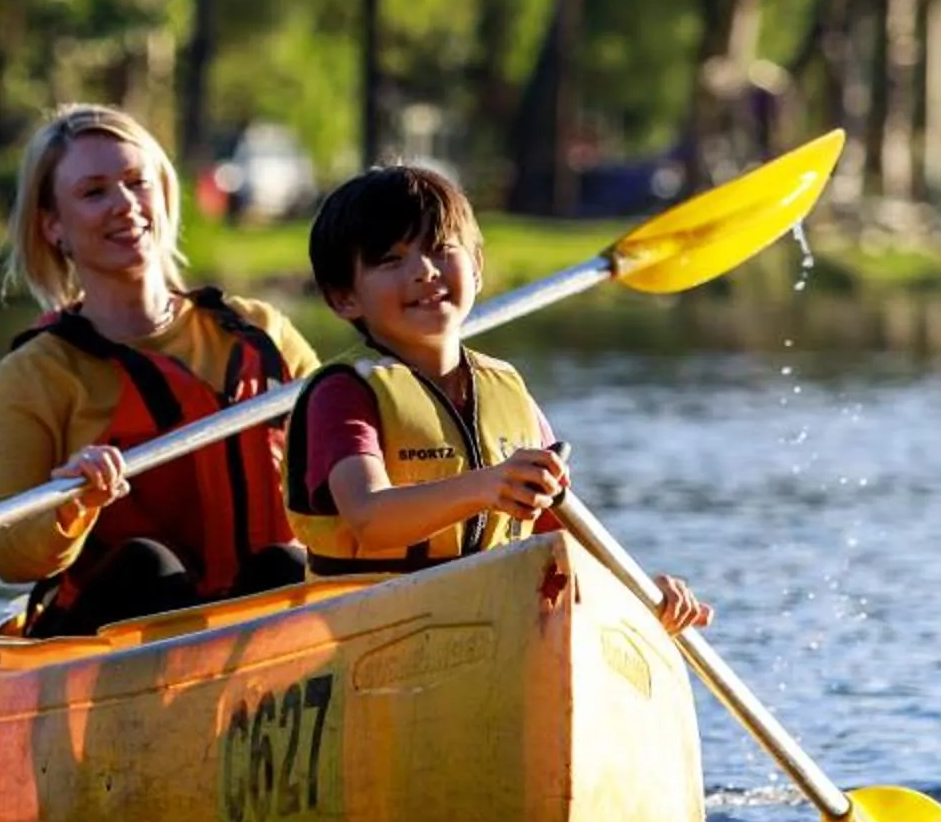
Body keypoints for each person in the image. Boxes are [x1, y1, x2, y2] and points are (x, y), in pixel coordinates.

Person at [284, 163, 713, 633]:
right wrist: (488, 486)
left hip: (484, 631)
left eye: (441, 249)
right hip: (365, 636)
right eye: (392, 259)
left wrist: (641, 591)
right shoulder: (344, 393)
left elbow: (565, 532)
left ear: (477, 269)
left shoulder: (506, 391)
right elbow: (368, 515)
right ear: (345, 298)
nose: (424, 271)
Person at [0, 103, 320, 637]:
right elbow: (9, 557)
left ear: (163, 193)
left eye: (137, 183)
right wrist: (76, 503)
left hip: (258, 620)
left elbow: (347, 462)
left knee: (287, 565)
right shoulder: (38, 373)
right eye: (94, 192)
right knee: (147, 565)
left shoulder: (261, 333)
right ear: (53, 226)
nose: (125, 205)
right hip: (117, 631)